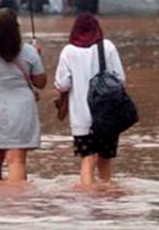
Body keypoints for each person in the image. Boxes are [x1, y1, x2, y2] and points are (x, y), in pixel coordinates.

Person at [0, 8, 46, 182]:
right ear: (17, 28)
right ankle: (17, 205)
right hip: (22, 107)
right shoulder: (29, 52)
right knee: (17, 161)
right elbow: (41, 83)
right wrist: (37, 56)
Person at [54, 13, 126, 186]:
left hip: (81, 118)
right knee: (105, 161)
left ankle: (87, 201)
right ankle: (105, 200)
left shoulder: (68, 52)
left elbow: (62, 84)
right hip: (107, 117)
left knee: (87, 160)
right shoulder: (107, 47)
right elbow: (121, 79)